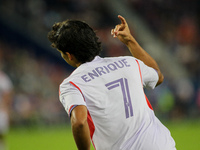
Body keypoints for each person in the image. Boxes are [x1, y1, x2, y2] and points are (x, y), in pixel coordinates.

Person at [48, 15, 176, 150]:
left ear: (69, 55)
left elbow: (79, 121)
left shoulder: (72, 84)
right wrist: (129, 40)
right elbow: (157, 76)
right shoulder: (128, 62)